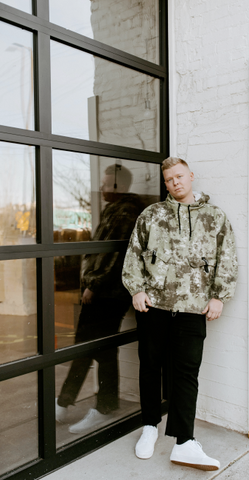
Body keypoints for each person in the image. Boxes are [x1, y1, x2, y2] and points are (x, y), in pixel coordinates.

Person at [122, 157, 238, 471]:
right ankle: (149, 427)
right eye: (169, 179)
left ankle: (184, 442)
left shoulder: (215, 217)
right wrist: (137, 289)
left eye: (179, 176)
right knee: (150, 366)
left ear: (190, 176)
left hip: (193, 307)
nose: (175, 182)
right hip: (154, 306)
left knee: (186, 373)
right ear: (166, 184)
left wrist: (219, 296)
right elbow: (134, 253)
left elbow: (226, 258)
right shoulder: (152, 215)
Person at [56, 164, 144, 434]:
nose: (101, 188)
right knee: (86, 346)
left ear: (117, 186)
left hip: (110, 293)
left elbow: (115, 256)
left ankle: (101, 408)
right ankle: (66, 402)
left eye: (106, 184)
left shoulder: (127, 211)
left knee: (100, 349)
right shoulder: (112, 209)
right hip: (101, 291)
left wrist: (93, 285)